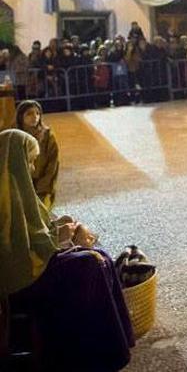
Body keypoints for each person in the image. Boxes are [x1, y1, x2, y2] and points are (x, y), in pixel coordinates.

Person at [0, 129, 133, 370]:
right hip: (20, 283)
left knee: (99, 256)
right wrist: (59, 240)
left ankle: (115, 349)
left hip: (35, 268)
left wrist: (68, 229)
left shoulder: (17, 187)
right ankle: (97, 357)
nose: (32, 169)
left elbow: (37, 231)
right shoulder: (4, 197)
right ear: (16, 162)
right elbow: (15, 257)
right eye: (29, 162)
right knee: (88, 265)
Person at [15, 101, 59, 209]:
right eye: (29, 114)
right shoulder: (15, 136)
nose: (35, 117)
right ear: (21, 117)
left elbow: (53, 162)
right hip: (23, 186)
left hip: (43, 185)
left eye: (37, 113)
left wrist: (43, 185)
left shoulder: (47, 135)